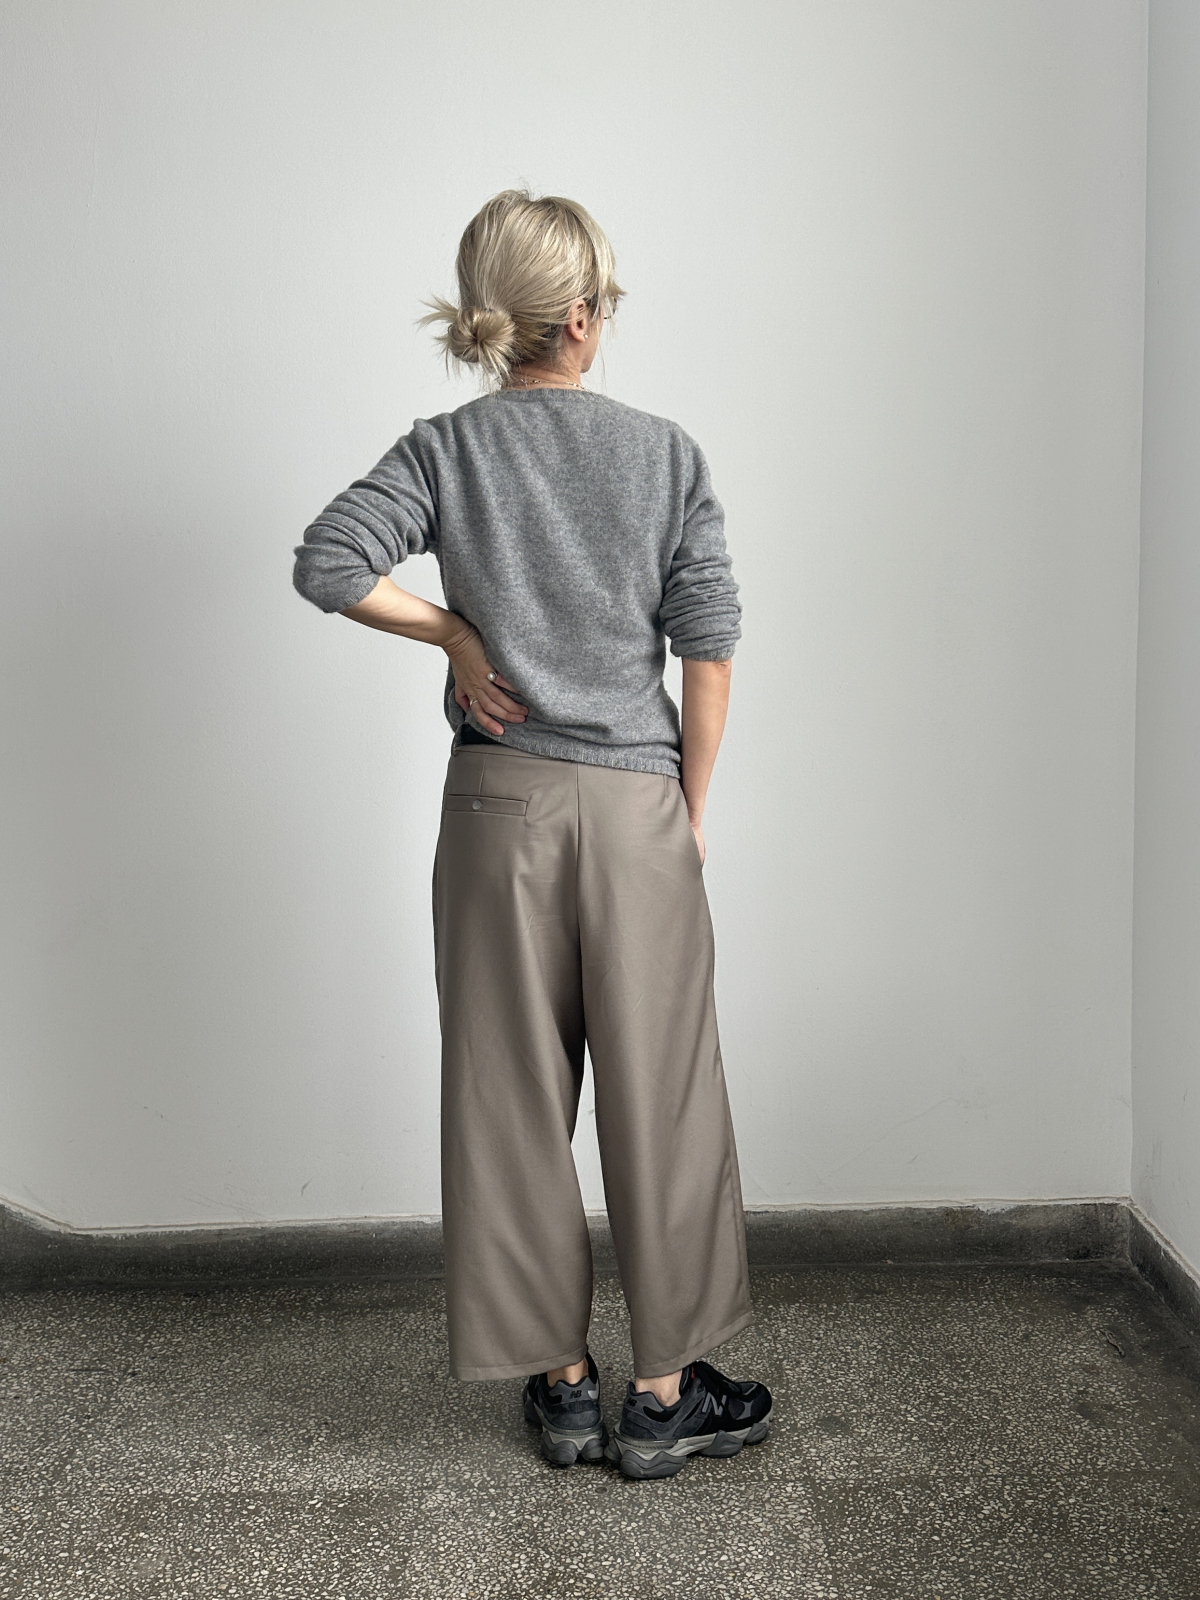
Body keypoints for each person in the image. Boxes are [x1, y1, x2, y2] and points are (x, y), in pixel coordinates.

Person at [292, 188, 771, 1480]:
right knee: (662, 1094)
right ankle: (662, 1399)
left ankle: (560, 1386)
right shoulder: (664, 455)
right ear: (582, 317)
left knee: (507, 1094)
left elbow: (331, 561)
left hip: (496, 809)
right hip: (634, 810)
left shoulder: (447, 450)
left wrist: (454, 631)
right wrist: (689, 812)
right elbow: (709, 650)